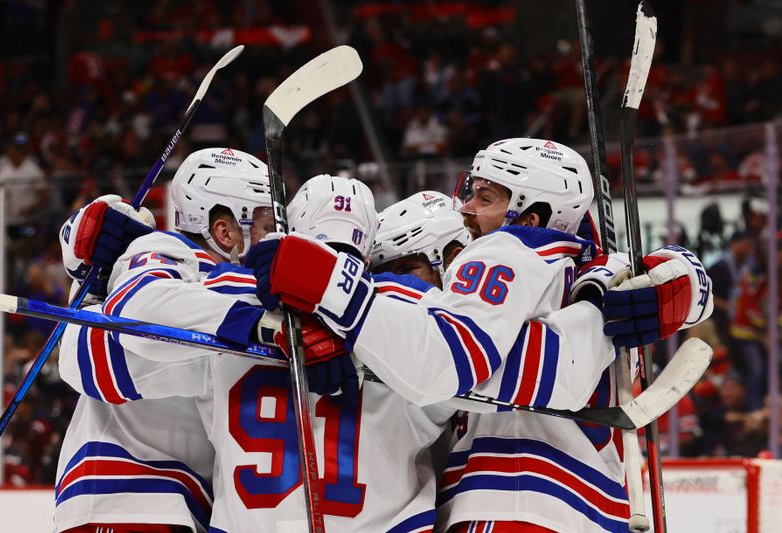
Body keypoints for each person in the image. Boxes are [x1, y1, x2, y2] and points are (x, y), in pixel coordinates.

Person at [249, 138, 714, 532]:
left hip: (512, 499)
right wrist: (691, 279)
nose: (466, 210)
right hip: (593, 507)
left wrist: (330, 290)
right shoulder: (598, 270)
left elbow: (450, 360)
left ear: (530, 218)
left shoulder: (506, 249)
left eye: (485, 198)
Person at [59, 171, 456, 532]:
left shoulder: (222, 290)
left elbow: (92, 356)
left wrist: (98, 281)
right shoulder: (411, 308)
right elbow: (478, 365)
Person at [54, 147, 277, 533]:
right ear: (224, 231)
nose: (274, 236)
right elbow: (100, 352)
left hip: (178, 503)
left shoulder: (222, 282)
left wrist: (87, 289)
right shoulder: (168, 254)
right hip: (127, 495)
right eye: (263, 223)